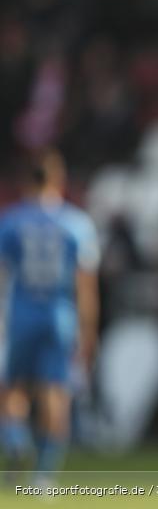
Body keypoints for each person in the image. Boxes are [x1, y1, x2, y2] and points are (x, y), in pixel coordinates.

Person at [0, 151, 100, 487]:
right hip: (60, 317)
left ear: (26, 181)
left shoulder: (11, 221)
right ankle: (43, 475)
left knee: (12, 389)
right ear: (59, 180)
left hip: (20, 315)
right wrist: (89, 332)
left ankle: (15, 440)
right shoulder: (76, 224)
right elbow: (85, 287)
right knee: (55, 392)